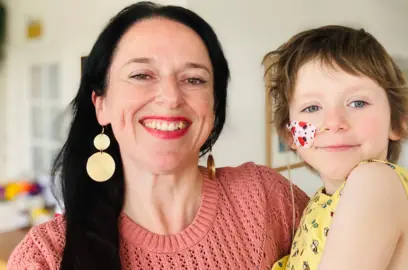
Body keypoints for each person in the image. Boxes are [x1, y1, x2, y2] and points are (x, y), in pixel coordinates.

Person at [8, 2, 309, 269]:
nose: (170, 97)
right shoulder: (45, 257)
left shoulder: (270, 198)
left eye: (194, 79)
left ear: (214, 106)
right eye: (141, 75)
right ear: (101, 104)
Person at [263, 25, 408, 270]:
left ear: (397, 123)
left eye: (357, 102)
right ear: (291, 134)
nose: (334, 123)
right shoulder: (320, 203)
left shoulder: (374, 181)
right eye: (311, 108)